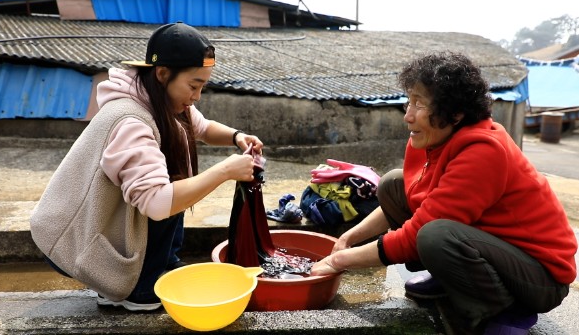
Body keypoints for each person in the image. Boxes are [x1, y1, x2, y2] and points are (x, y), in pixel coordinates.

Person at [311, 51, 577, 334]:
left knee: (435, 236)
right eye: (409, 101)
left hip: (539, 275)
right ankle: (449, 279)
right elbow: (418, 201)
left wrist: (339, 261)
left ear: (456, 112)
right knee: (393, 184)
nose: (408, 116)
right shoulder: (434, 140)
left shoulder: (483, 151)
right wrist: (349, 237)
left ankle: (507, 310)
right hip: (491, 246)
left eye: (419, 104)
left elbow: (417, 234)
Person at [30, 22, 263, 312]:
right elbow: (155, 203)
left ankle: (159, 266)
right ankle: (139, 289)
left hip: (100, 223)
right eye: (194, 85)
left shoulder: (160, 99)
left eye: (202, 86)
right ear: (163, 74)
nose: (197, 96)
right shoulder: (132, 121)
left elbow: (202, 128)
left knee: (174, 183)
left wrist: (236, 136)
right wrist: (224, 172)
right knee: (166, 193)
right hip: (72, 238)